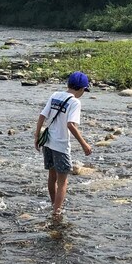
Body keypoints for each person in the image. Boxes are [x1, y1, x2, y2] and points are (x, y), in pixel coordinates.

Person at [33, 71, 93, 214]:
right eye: (84, 90)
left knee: (52, 177)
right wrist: (84, 144)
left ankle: (54, 204)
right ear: (81, 89)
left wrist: (36, 136)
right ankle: (57, 211)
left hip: (47, 142)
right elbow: (71, 125)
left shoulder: (55, 95)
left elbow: (42, 115)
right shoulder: (75, 102)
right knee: (62, 182)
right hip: (60, 145)